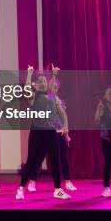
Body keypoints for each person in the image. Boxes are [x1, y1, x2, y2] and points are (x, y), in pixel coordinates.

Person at [16, 65, 71, 200]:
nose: (43, 83)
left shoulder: (53, 97)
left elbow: (62, 113)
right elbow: (27, 88)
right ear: (35, 85)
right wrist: (29, 74)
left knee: (55, 160)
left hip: (51, 132)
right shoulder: (33, 97)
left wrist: (65, 126)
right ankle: (21, 189)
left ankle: (58, 190)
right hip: (37, 133)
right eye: (40, 81)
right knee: (31, 161)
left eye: (44, 81)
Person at [28, 65, 76, 192]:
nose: (54, 89)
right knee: (39, 157)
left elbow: (63, 116)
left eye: (56, 87)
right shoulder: (46, 98)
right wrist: (53, 74)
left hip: (59, 133)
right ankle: (32, 181)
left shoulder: (57, 99)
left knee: (63, 158)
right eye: (52, 87)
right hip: (48, 132)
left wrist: (66, 133)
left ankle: (67, 182)